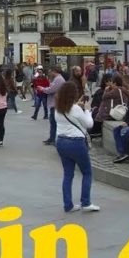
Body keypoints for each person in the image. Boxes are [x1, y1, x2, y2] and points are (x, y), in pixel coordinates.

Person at [53, 82, 99, 213]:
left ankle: (68, 205)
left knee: (68, 174)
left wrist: (77, 105)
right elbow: (89, 124)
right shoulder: (76, 109)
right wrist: (88, 110)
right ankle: (86, 202)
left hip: (61, 142)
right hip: (76, 143)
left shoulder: (58, 108)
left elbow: (70, 113)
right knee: (87, 172)